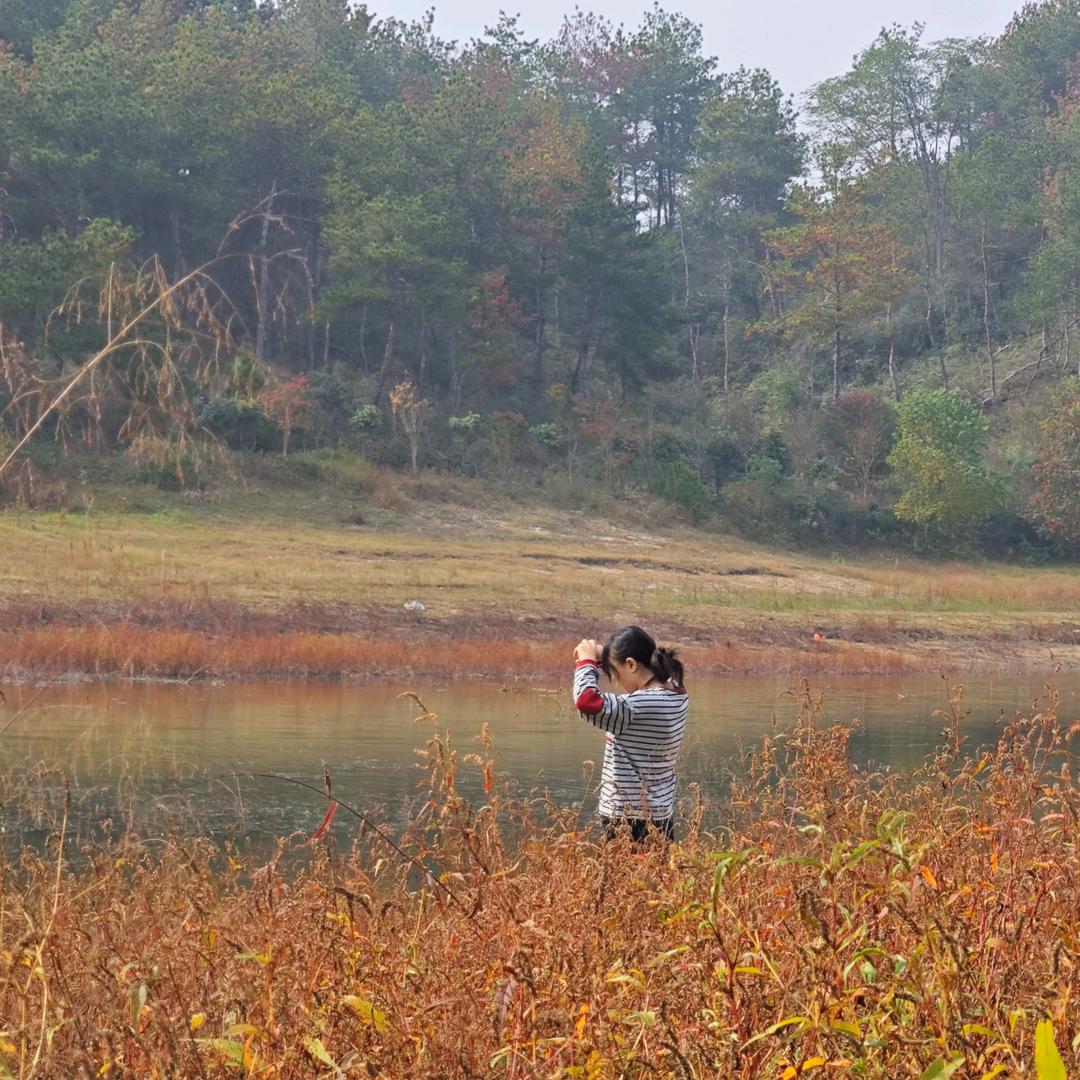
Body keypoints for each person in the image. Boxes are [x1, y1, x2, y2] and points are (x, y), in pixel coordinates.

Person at [572, 625, 688, 843]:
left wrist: (586, 662)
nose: (616, 682)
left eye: (615, 673)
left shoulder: (635, 708)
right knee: (655, 876)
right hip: (659, 816)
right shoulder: (675, 693)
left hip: (626, 819)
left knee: (622, 877)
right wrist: (608, 653)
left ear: (631, 664)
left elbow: (586, 701)